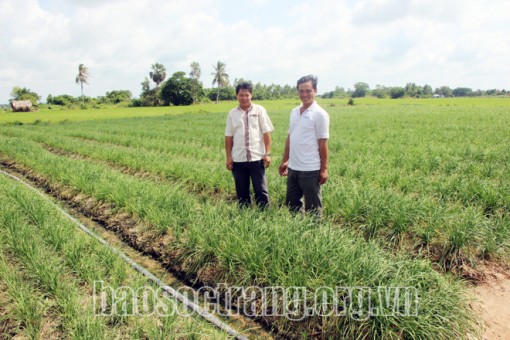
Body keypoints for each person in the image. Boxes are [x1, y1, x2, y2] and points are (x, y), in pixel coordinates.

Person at [278, 75, 330, 217]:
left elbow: (323, 143)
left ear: (315, 90)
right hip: (293, 168)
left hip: (310, 169)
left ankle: (314, 236)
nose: (304, 94)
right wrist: (285, 161)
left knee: (313, 208)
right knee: (292, 204)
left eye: (308, 90)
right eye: (301, 91)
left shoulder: (320, 114)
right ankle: (298, 234)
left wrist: (324, 169)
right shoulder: (294, 112)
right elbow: (290, 138)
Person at [225, 82, 274, 209]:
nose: (244, 98)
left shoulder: (260, 110)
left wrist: (267, 154)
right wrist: (229, 157)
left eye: (247, 95)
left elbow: (266, 133)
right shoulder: (232, 114)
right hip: (238, 159)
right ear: (237, 96)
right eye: (241, 95)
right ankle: (245, 219)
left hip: (257, 158)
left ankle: (264, 217)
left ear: (251, 95)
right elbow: (229, 136)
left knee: (261, 191)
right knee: (242, 192)